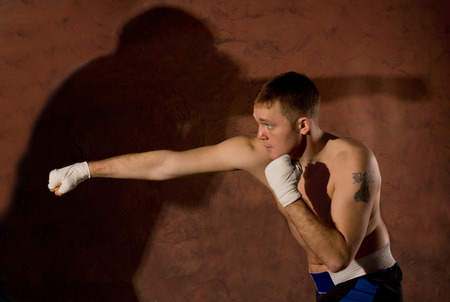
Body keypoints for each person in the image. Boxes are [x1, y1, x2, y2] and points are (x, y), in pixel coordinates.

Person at [48, 72, 403, 301]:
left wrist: (288, 195)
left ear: (304, 125)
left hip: (367, 284)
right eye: (257, 123)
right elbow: (167, 164)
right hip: (325, 288)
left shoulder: (351, 160)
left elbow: (339, 258)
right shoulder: (256, 150)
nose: (259, 134)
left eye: (269, 125)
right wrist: (85, 169)